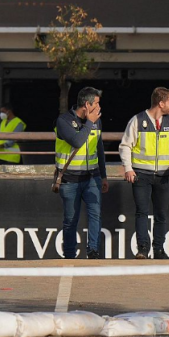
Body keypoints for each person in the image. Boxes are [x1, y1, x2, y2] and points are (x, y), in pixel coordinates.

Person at [119, 87, 169, 260]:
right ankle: (143, 249)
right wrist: (128, 167)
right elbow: (125, 145)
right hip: (141, 175)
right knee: (142, 212)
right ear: (161, 103)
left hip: (163, 176)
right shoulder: (137, 120)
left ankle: (158, 249)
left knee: (161, 214)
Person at [54, 87, 109, 259]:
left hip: (92, 177)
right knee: (71, 220)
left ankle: (93, 251)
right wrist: (90, 123)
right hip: (69, 180)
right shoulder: (63, 121)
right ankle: (70, 255)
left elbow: (99, 148)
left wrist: (104, 175)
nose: (99, 108)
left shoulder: (96, 121)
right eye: (97, 104)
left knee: (95, 215)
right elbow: (77, 141)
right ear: (87, 104)